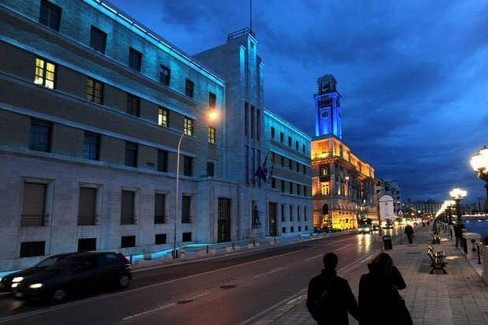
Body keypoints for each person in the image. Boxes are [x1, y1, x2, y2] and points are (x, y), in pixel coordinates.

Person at [358, 253, 412, 325]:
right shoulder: (390, 275)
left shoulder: (365, 278)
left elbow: (361, 300)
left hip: (372, 315)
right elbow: (402, 286)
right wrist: (394, 270)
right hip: (390, 314)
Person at [306, 252, 359, 324]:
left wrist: (318, 317)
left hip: (324, 321)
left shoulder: (314, 282)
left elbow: (310, 303)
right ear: (336, 264)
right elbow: (352, 305)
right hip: (340, 320)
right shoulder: (342, 283)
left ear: (324, 263)